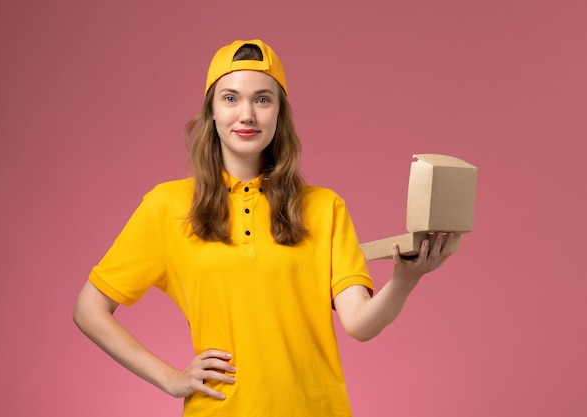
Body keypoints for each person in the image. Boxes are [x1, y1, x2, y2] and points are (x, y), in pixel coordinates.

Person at [73, 39, 455, 416]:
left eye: (262, 99)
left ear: (279, 113)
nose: (247, 114)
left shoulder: (324, 207)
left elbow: (360, 324)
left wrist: (406, 279)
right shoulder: (168, 206)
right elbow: (89, 308)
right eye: (230, 98)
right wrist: (170, 377)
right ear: (211, 112)